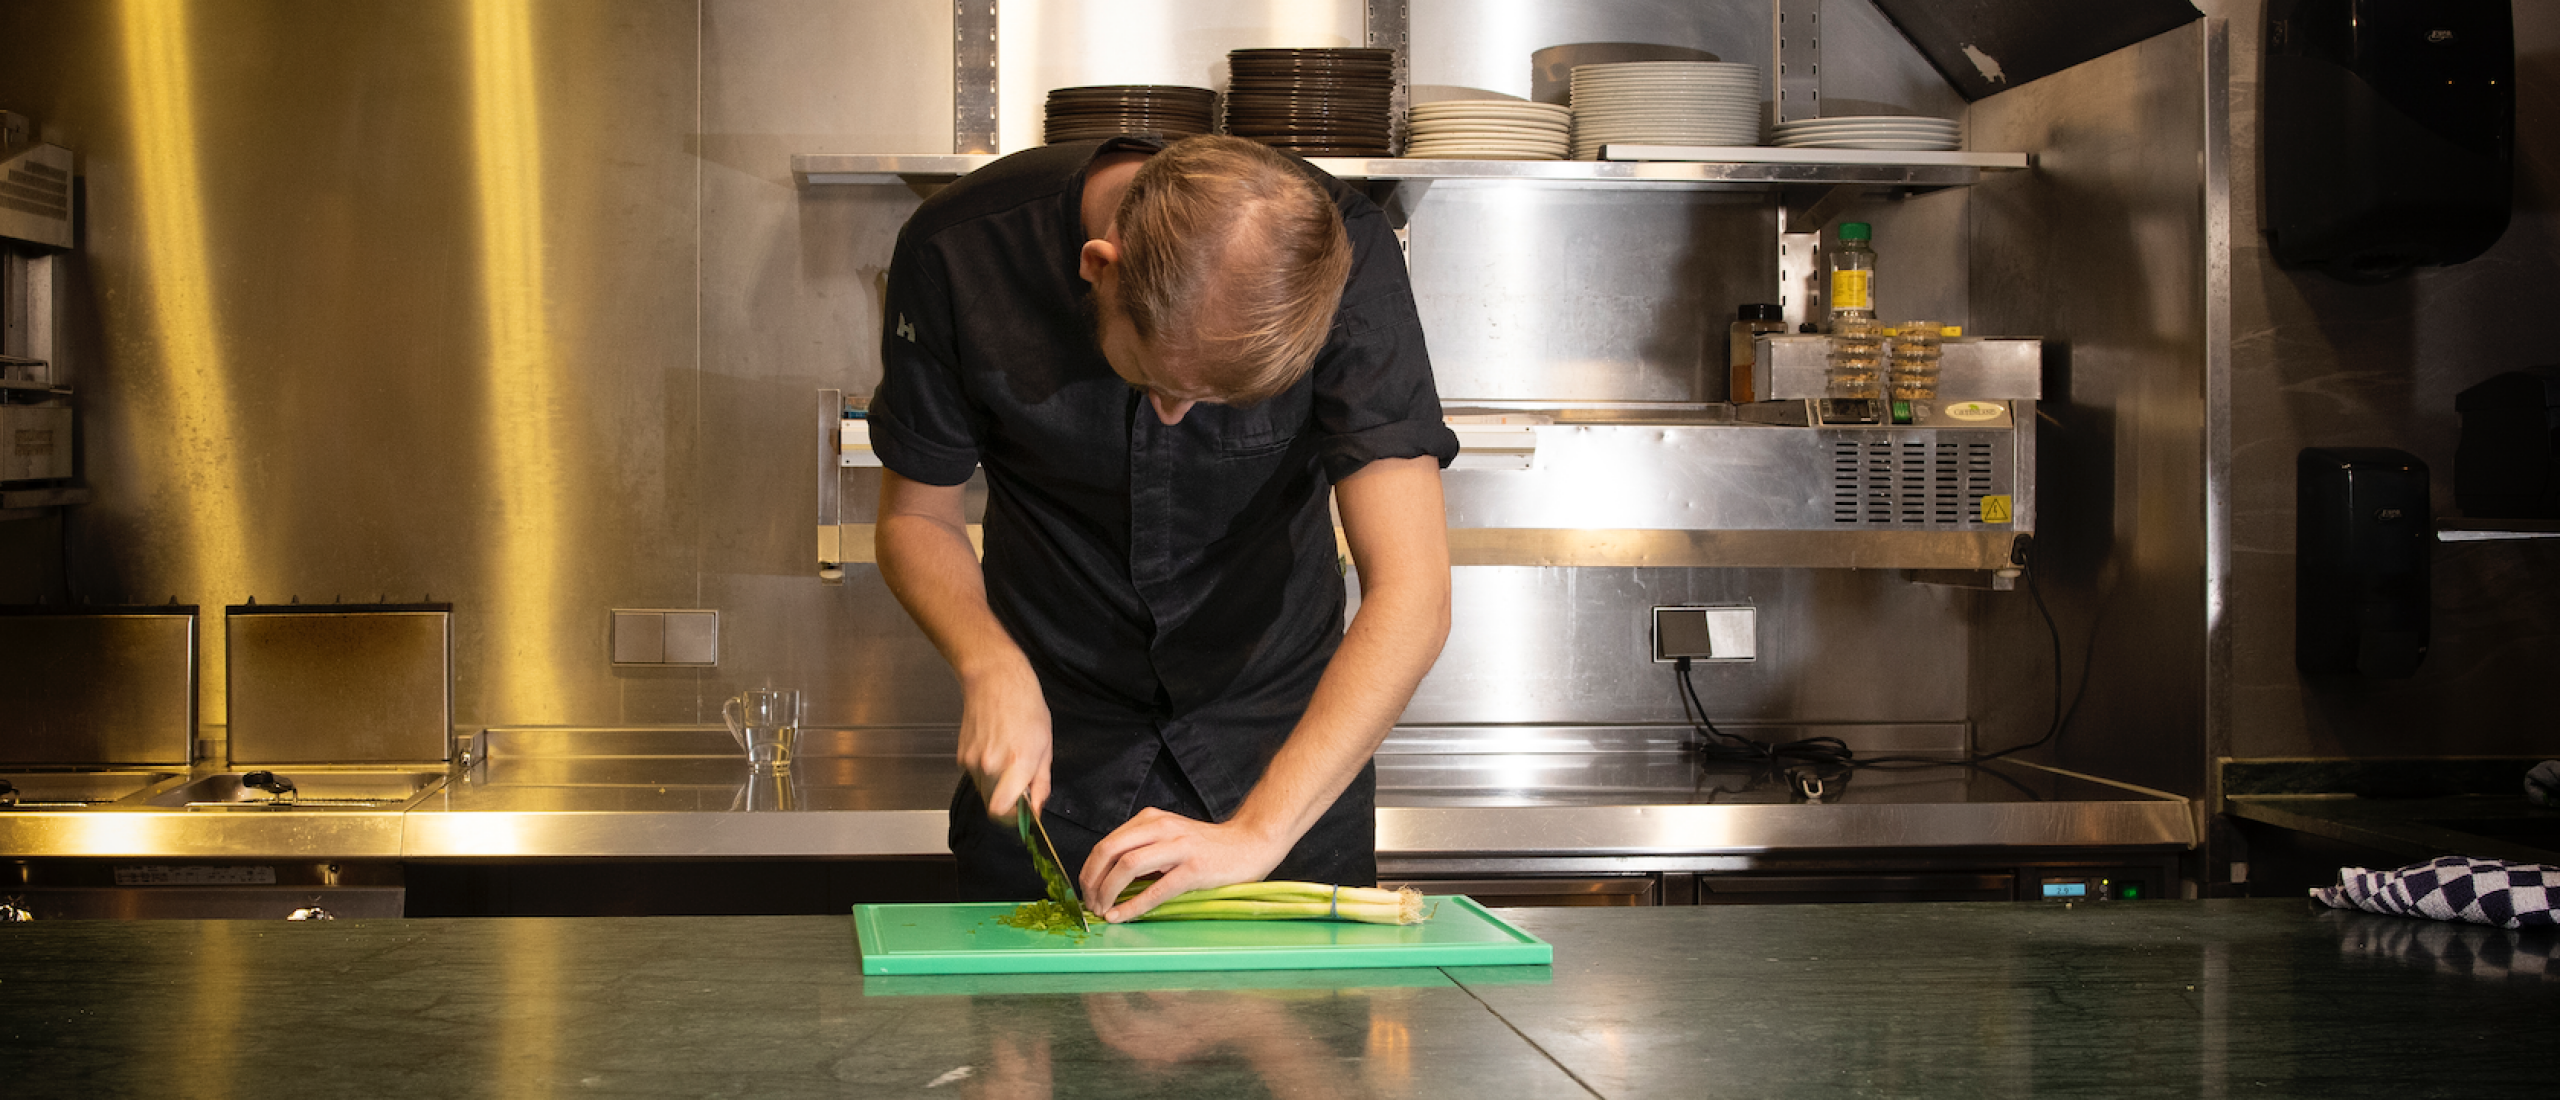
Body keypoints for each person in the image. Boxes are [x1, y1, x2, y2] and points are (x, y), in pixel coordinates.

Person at [869, 133, 1455, 922]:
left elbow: (1412, 592)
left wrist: (1257, 831)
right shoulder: (957, 250)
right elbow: (916, 516)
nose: (1178, 419)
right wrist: (987, 663)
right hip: (1052, 769)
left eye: (1221, 402)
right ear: (1098, 268)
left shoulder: (1345, 256)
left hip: (1283, 770)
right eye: (1157, 383)